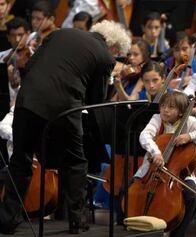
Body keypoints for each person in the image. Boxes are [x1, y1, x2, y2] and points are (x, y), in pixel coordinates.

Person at [0, 20, 130, 234]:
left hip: (27, 100)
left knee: (20, 160)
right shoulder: (105, 57)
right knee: (76, 162)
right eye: (118, 55)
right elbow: (95, 101)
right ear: (113, 48)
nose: (116, 59)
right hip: (63, 108)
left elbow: (31, 65)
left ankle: (7, 219)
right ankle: (77, 221)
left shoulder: (61, 33)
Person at [134, 91, 196, 237]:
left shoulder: (190, 122)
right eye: (163, 106)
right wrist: (156, 152)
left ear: (181, 112)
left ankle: (178, 234)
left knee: (192, 198)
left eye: (171, 107)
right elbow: (145, 135)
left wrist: (190, 136)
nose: (165, 110)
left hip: (179, 172)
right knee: (126, 191)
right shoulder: (157, 119)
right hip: (152, 170)